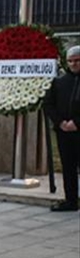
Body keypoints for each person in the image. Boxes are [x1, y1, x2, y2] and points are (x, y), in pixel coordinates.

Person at [45, 46, 80, 211]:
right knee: (68, 166)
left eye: (77, 61)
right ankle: (71, 200)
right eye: (71, 61)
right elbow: (49, 105)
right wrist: (60, 123)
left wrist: (76, 123)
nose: (73, 64)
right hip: (64, 132)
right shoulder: (59, 82)